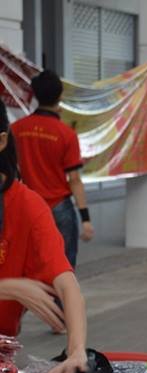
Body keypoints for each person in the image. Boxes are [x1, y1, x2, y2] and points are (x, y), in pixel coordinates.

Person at [0, 104, 88, 373]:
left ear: (2, 141)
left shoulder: (27, 206)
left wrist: (76, 350)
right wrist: (6, 287)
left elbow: (66, 283)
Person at [11, 69, 92, 268]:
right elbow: (74, 179)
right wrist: (86, 219)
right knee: (63, 267)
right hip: (59, 207)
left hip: (28, 206)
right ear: (60, 95)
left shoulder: (16, 129)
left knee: (30, 265)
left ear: (36, 95)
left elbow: (13, 170)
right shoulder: (66, 134)